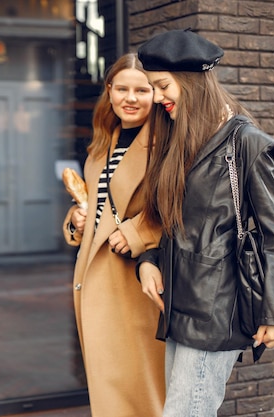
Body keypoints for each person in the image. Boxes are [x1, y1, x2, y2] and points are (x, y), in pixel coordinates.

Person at [136, 29, 274, 416]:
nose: (157, 98)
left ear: (191, 82)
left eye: (162, 86)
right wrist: (149, 260)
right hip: (179, 304)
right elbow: (181, 228)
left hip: (216, 310)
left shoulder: (245, 143)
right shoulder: (182, 141)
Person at [62, 53, 165, 416]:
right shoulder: (104, 143)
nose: (131, 98)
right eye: (122, 88)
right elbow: (101, 208)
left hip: (137, 281)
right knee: (111, 389)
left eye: (142, 89)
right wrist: (76, 220)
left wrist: (137, 233)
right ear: (109, 91)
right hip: (95, 278)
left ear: (156, 94)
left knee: (144, 389)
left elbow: (186, 205)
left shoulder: (166, 144)